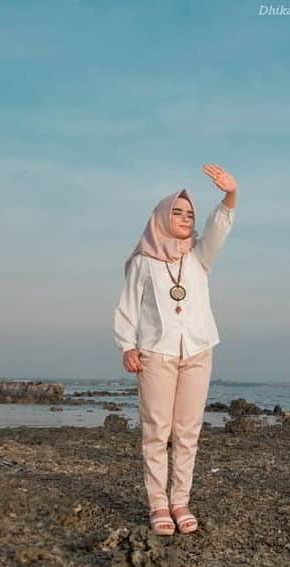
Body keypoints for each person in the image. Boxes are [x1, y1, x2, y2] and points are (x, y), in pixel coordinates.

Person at [113, 164, 238, 535]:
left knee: (187, 431)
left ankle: (180, 499)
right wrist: (126, 345)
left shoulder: (199, 257)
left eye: (190, 214)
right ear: (161, 218)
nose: (185, 219)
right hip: (156, 352)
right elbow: (128, 307)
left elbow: (221, 227)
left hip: (198, 350)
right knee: (156, 430)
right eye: (177, 212)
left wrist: (230, 194)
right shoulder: (143, 262)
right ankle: (157, 504)